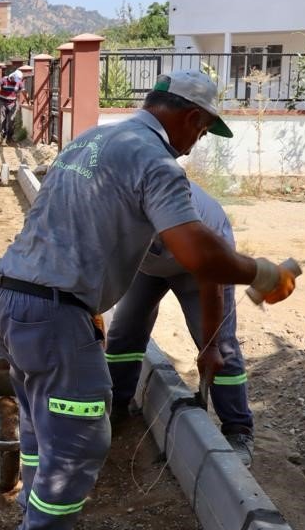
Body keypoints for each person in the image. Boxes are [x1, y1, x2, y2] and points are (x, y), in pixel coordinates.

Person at [0, 70, 296, 530]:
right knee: (83, 435)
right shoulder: (155, 161)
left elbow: (62, 224)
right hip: (52, 313)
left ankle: (37, 519)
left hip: (10, 296)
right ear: (191, 117)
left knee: (43, 418)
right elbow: (200, 256)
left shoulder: (96, 139)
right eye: (201, 131)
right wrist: (264, 272)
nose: (195, 145)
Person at [107, 182, 255, 465]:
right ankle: (117, 406)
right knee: (124, 331)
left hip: (198, 266)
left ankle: (238, 429)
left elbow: (212, 285)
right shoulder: (117, 208)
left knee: (220, 346)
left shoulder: (196, 225)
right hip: (147, 265)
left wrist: (209, 345)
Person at [0, 68, 26, 143]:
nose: (16, 82)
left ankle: (9, 137)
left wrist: (28, 99)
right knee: (3, 120)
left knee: (11, 120)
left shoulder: (19, 82)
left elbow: (23, 91)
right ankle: (2, 136)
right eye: (15, 80)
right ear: (12, 77)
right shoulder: (4, 79)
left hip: (13, 104)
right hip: (3, 102)